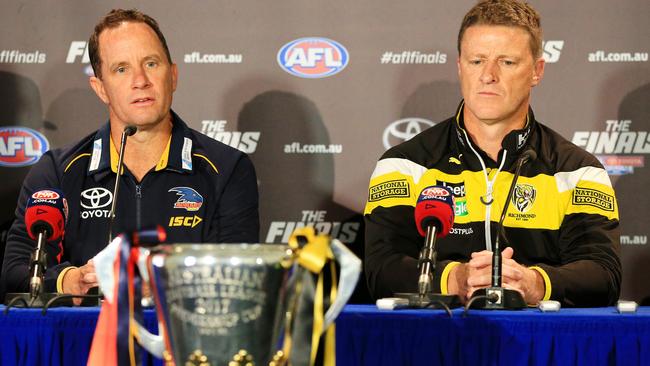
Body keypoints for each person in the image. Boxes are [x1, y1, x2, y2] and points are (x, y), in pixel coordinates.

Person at [364, 0, 620, 307]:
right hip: (438, 347)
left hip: (536, 350)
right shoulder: (405, 164)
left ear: (537, 71)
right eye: (476, 61)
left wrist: (535, 283)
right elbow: (380, 270)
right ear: (460, 66)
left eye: (507, 62)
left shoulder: (577, 170)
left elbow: (604, 275)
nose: (488, 75)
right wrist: (455, 278)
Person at [1, 9, 259, 303]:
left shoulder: (226, 169)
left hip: (184, 344)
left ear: (172, 76)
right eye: (121, 69)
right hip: (85, 345)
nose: (140, 80)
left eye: (151, 63)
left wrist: (163, 287)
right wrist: (68, 280)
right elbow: (14, 272)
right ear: (100, 89)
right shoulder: (57, 172)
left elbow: (241, 278)